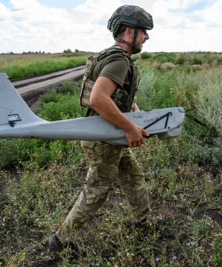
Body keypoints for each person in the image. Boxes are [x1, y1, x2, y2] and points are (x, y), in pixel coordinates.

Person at [49, 5, 154, 252]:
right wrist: (129, 128)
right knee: (97, 189)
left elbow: (116, 94)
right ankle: (60, 242)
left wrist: (134, 113)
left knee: (132, 176)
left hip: (109, 132)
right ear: (130, 32)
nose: (147, 37)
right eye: (144, 32)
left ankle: (142, 222)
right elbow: (98, 99)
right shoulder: (119, 61)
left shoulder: (110, 56)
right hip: (105, 138)